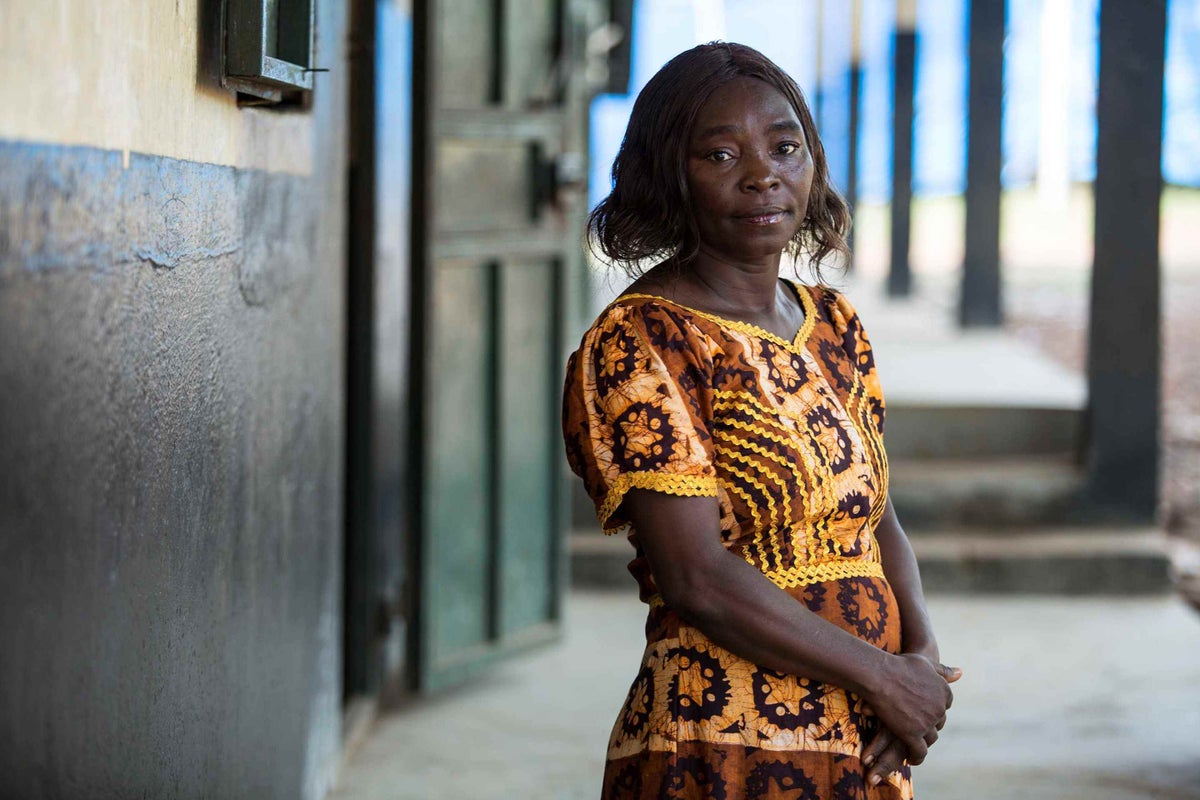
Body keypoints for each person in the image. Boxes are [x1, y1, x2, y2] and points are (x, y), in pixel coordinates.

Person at [561, 42, 961, 799]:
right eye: (720, 154)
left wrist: (921, 662)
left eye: (785, 146)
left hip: (863, 734)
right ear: (669, 176)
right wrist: (882, 674)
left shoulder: (833, 324)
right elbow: (697, 576)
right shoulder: (645, 341)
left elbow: (876, 517)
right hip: (723, 744)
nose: (762, 174)